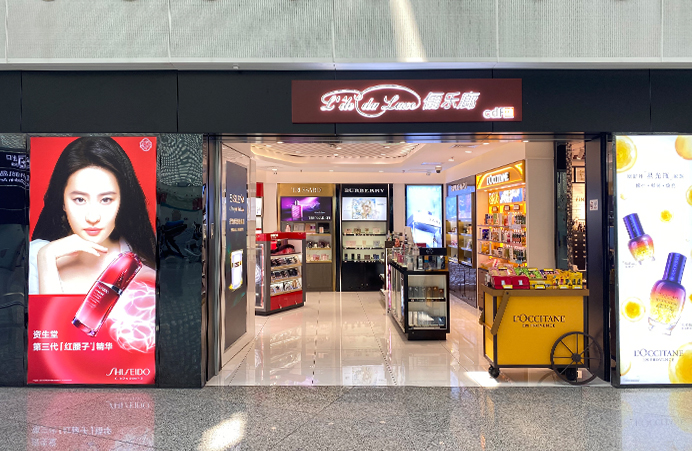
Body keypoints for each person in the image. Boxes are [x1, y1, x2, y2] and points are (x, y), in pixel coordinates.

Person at [30, 137, 156, 295]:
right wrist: (46, 258)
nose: (93, 218)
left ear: (122, 201)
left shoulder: (141, 264)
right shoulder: (35, 256)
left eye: (106, 199)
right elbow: (42, 313)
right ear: (62, 201)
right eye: (80, 199)